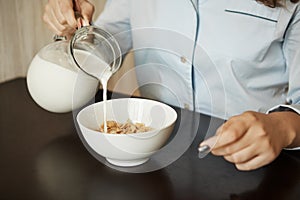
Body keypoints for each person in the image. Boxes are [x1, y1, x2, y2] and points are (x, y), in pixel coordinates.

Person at [43, 0, 300, 171]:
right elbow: (103, 49)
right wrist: (74, 27)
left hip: (254, 164)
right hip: (157, 158)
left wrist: (281, 127)